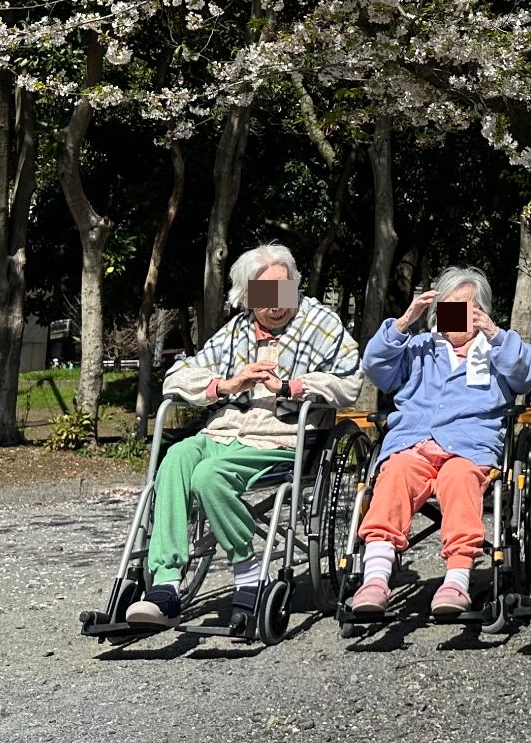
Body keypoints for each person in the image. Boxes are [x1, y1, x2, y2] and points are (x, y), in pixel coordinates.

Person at [126, 243, 362, 631]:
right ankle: (166, 583)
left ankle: (248, 568)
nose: (275, 305)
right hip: (224, 431)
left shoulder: (320, 323)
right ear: (248, 296)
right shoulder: (235, 331)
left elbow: (350, 382)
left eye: (282, 291)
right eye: (264, 296)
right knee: (176, 459)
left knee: (209, 477)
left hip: (281, 437)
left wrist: (290, 386)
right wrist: (226, 384)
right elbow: (176, 377)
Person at [347, 266, 531, 621]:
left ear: (480, 311)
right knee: (395, 473)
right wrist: (403, 323)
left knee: (458, 476)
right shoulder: (420, 347)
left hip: (469, 448)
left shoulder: (496, 349)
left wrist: (494, 333)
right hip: (414, 442)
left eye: (464, 308)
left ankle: (456, 580)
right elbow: (374, 366)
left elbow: (529, 371)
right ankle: (375, 578)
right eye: (447, 308)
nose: (455, 316)